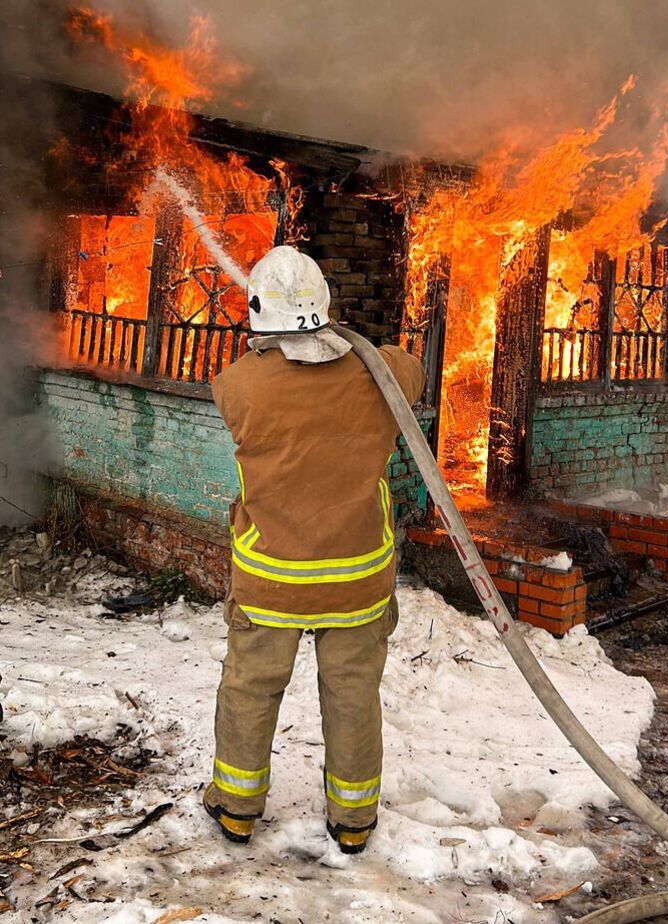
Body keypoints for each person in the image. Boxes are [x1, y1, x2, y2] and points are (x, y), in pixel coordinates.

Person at [202, 246, 425, 854]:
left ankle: (236, 809)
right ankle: (353, 820)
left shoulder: (237, 385)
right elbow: (412, 368)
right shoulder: (382, 373)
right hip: (357, 577)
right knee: (353, 694)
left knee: (251, 688)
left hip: (272, 576)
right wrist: (355, 345)